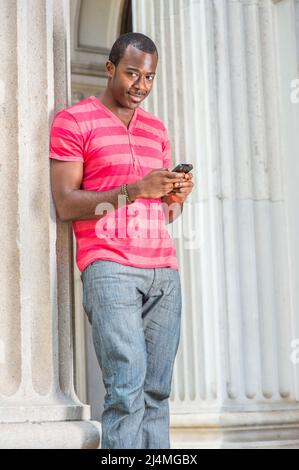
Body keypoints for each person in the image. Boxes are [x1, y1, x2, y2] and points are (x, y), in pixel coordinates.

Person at [49, 32, 194, 449]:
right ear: (111, 68)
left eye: (149, 77)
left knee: (157, 392)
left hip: (164, 271)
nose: (141, 86)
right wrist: (132, 190)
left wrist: (175, 198)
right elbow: (65, 202)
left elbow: (165, 211)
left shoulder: (156, 129)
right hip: (110, 267)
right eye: (132, 73)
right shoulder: (74, 121)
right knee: (127, 389)